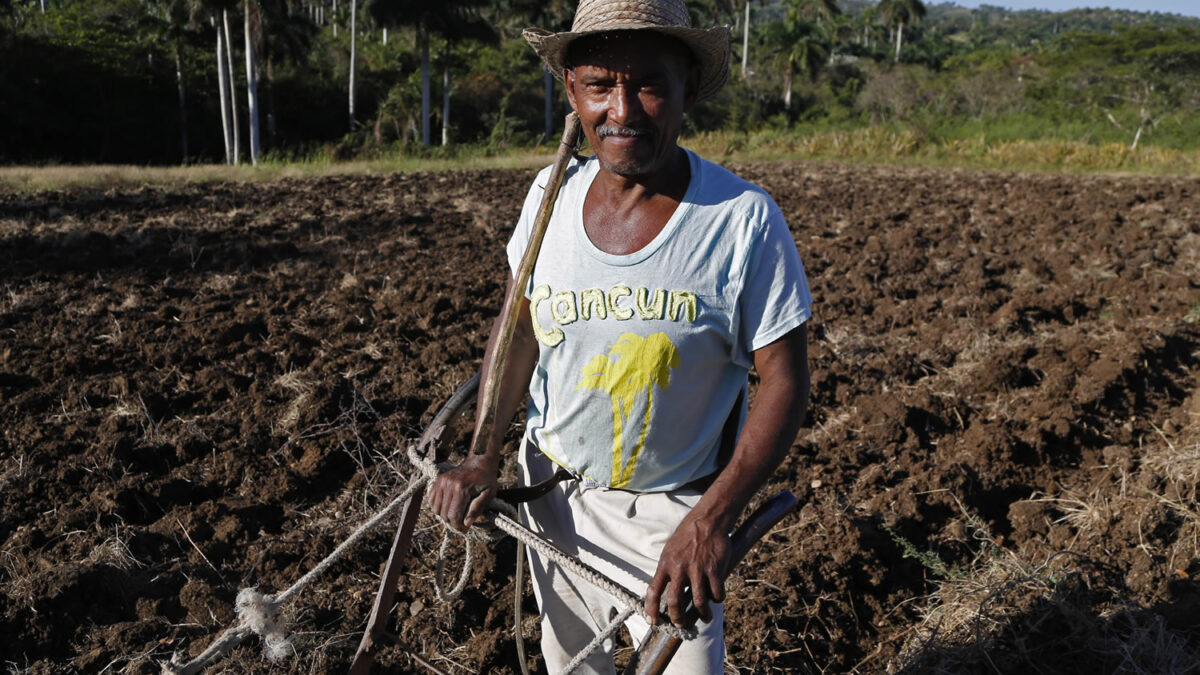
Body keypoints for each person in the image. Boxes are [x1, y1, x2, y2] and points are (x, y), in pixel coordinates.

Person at [428, 0, 812, 671]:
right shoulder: (549, 195)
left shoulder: (741, 220)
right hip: (554, 498)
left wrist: (712, 520)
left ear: (687, 86)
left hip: (676, 515)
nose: (624, 111)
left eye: (649, 85)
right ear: (572, 89)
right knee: (573, 664)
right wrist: (483, 452)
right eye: (602, 85)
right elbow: (518, 327)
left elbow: (785, 377)